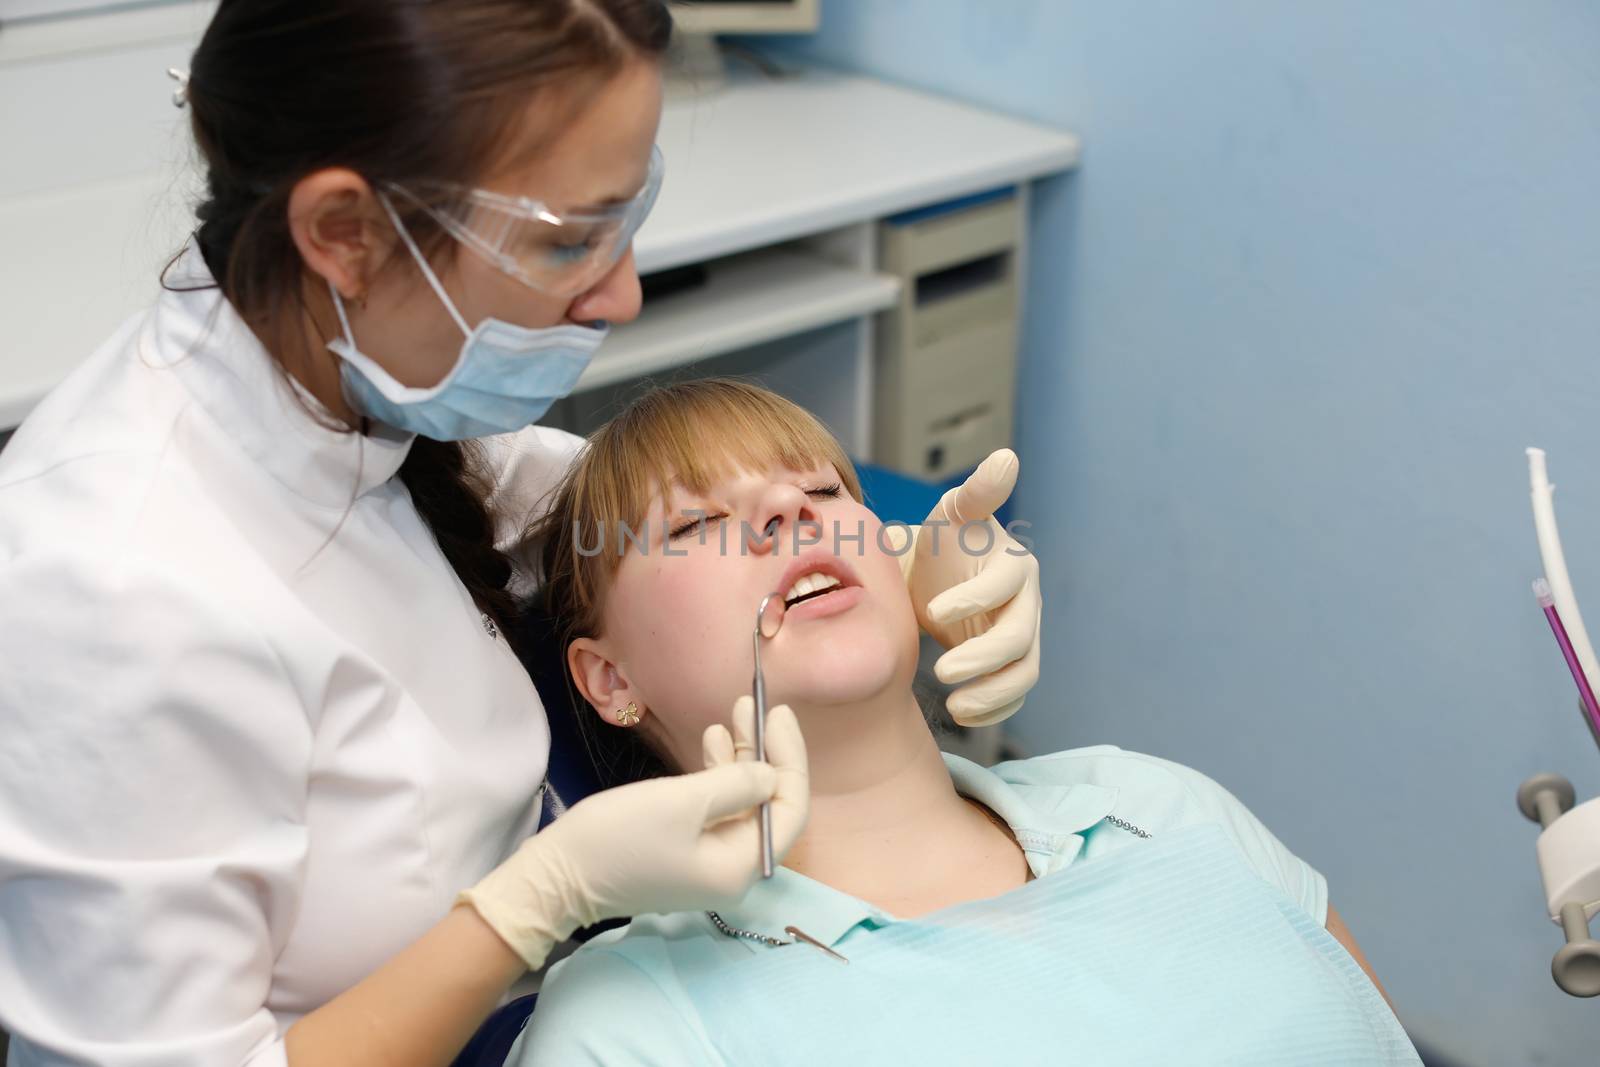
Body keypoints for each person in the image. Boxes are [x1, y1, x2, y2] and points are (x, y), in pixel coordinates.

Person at [0, 4, 1047, 1065]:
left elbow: (632, 513)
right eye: (568, 239)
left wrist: (910, 553)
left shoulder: (376, 393)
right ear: (345, 235)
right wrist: (532, 906)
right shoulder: (108, 589)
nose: (626, 290)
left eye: (629, 213)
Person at [510, 378, 1423, 1066]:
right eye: (697, 521)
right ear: (609, 678)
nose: (791, 511)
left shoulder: (1156, 804)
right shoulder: (630, 1019)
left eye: (825, 491)